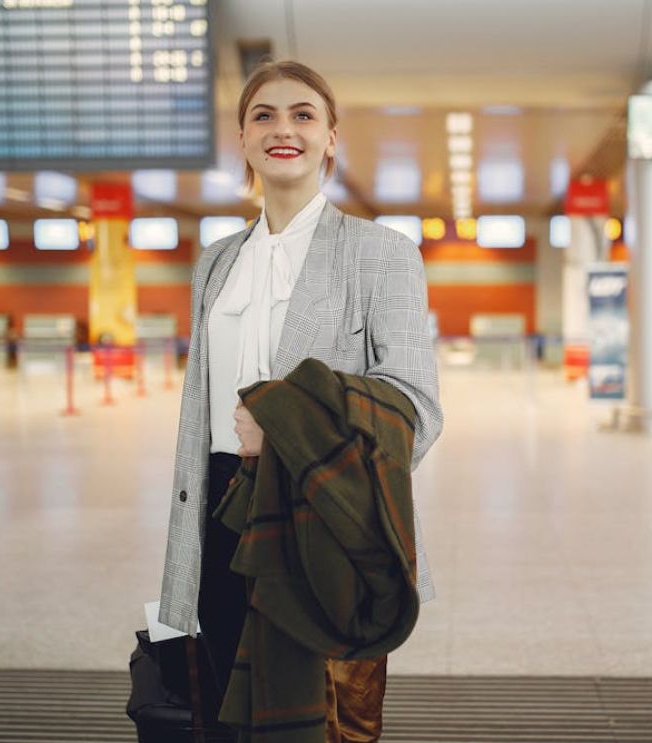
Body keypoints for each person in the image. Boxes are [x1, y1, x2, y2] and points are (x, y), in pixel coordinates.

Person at [157, 60, 443, 742]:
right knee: (227, 700)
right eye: (264, 115)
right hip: (222, 513)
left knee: (320, 717)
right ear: (243, 139)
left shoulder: (381, 254)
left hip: (321, 513)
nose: (283, 128)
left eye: (303, 115)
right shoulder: (216, 263)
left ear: (330, 138)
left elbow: (414, 407)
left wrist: (286, 425)